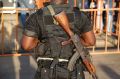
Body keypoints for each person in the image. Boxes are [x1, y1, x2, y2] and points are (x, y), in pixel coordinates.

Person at [21, 0, 96, 79]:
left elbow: (26, 45)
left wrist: (39, 40)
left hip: (47, 71)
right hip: (74, 72)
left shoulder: (37, 16)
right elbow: (90, 41)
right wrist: (76, 38)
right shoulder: (79, 15)